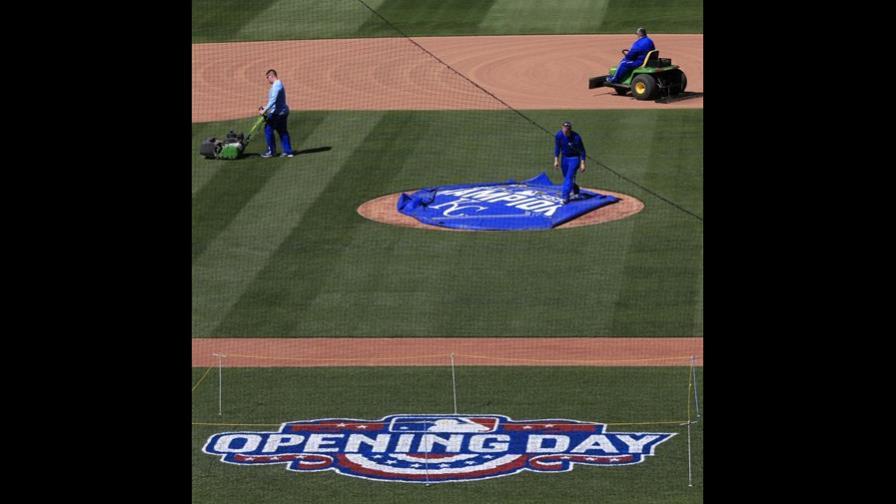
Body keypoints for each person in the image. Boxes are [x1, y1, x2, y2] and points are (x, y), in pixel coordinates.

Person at [258, 69, 294, 158]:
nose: (267, 80)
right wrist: (266, 108)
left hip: (278, 114)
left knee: (268, 130)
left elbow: (273, 100)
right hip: (282, 112)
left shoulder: (276, 85)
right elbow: (273, 101)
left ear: (271, 76)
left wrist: (264, 110)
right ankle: (288, 152)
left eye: (267, 77)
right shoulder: (277, 84)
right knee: (282, 132)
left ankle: (271, 152)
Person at [553, 121, 586, 204]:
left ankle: (565, 197)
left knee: (569, 177)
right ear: (562, 127)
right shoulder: (559, 135)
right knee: (566, 176)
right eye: (564, 128)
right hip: (564, 158)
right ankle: (575, 189)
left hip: (574, 159)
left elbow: (582, 151)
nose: (565, 130)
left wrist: (582, 163)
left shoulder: (576, 137)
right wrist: (556, 160)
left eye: (567, 128)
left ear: (570, 129)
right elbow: (557, 147)